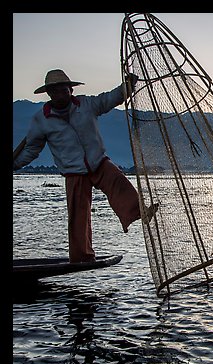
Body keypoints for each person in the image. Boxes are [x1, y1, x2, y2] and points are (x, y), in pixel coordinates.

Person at [13, 69, 157, 263]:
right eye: (55, 91)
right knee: (78, 216)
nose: (60, 94)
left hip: (97, 161)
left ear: (70, 90)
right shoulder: (42, 119)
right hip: (74, 172)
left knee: (118, 181)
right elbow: (32, 149)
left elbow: (109, 99)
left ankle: (139, 212)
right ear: (49, 94)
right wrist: (15, 164)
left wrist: (127, 87)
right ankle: (82, 257)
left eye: (64, 90)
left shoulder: (86, 104)